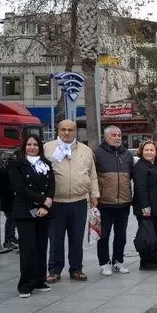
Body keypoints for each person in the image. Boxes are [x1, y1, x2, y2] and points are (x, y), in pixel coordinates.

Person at [44, 119, 99, 283]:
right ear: (58, 131)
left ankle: (76, 269)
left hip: (79, 201)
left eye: (70, 130)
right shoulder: (47, 149)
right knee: (55, 238)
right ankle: (54, 270)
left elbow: (92, 175)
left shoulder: (85, 150)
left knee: (76, 238)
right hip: (56, 202)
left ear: (75, 132)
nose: (66, 133)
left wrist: (94, 194)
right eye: (63, 130)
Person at [8, 136, 55, 297]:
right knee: (28, 249)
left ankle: (39, 280)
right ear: (24, 147)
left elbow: (51, 186)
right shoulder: (16, 165)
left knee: (41, 248)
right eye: (29, 144)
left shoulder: (46, 164)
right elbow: (19, 188)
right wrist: (43, 200)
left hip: (43, 212)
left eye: (35, 144)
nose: (32, 147)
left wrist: (45, 205)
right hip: (24, 211)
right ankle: (26, 284)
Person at [94, 126, 134, 276]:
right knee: (104, 235)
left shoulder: (127, 155)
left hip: (123, 203)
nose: (117, 137)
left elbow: (130, 177)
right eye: (113, 135)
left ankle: (118, 261)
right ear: (106, 137)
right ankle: (104, 263)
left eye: (119, 135)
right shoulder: (97, 153)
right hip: (105, 203)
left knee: (121, 235)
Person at [132, 141, 157, 271]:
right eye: (146, 150)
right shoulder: (140, 167)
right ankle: (146, 262)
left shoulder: (155, 165)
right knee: (147, 235)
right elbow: (141, 188)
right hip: (146, 208)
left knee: (156, 234)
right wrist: (145, 208)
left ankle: (153, 259)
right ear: (142, 151)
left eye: (152, 150)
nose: (149, 152)